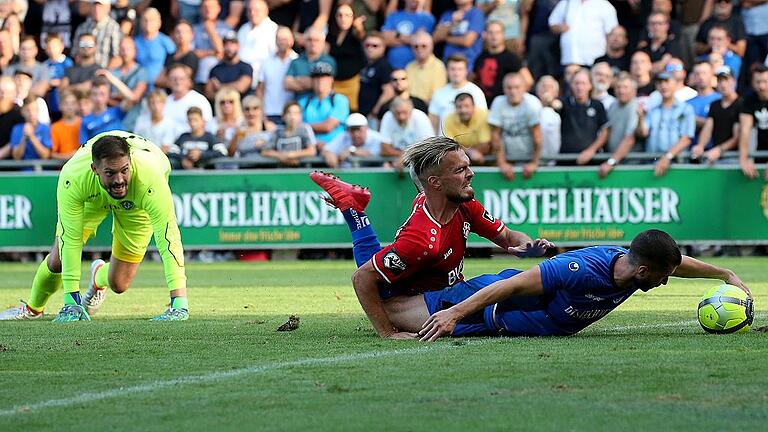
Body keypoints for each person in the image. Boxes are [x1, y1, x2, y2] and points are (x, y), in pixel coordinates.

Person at [309, 136, 553, 338]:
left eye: (468, 166)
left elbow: (509, 236)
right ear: (435, 183)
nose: (471, 174)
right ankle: (353, 210)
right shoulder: (422, 239)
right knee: (492, 314)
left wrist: (528, 246)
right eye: (461, 170)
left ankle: (353, 209)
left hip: (444, 291)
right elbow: (362, 278)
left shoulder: (465, 205)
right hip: (408, 301)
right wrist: (388, 333)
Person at [410, 229, 749, 340]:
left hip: (498, 325)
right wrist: (454, 312)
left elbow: (680, 265)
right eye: (662, 277)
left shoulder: (637, 268)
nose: (665, 283)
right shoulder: (578, 269)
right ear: (644, 271)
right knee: (393, 310)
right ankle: (357, 216)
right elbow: (512, 286)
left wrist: (723, 274)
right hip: (483, 301)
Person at [0, 131, 189, 321]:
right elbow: (71, 238)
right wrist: (71, 302)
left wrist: (179, 304)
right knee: (57, 259)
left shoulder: (149, 178)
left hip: (136, 199)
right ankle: (32, 309)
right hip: (93, 196)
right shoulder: (73, 178)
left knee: (119, 283)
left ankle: (99, 277)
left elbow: (168, 237)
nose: (119, 180)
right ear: (95, 169)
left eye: (124, 170)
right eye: (110, 173)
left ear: (130, 163)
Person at [637, 71, 696, 177]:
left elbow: (686, 138)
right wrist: (640, 117)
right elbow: (643, 133)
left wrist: (668, 156)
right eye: (660, 83)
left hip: (677, 163)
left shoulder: (685, 109)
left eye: (667, 81)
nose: (663, 86)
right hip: (653, 162)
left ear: (675, 84)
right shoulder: (652, 110)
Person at [489, 72, 542, 179]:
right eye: (509, 88)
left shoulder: (532, 103)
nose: (513, 91)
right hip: (508, 158)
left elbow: (537, 137)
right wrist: (502, 163)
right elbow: (495, 136)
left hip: (529, 157)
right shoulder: (498, 102)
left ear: (524, 88)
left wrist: (535, 162)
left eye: (517, 87)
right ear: (504, 89)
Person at [472, 20, 532, 103]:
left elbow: (528, 81)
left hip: (505, 105)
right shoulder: (480, 57)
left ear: (503, 35)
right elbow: (473, 79)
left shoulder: (511, 58)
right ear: (485, 35)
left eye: (497, 32)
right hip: (484, 104)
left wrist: (514, 100)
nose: (494, 36)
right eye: (490, 33)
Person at [691, 66, 741, 164]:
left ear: (734, 81)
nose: (723, 84)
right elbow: (708, 127)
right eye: (720, 80)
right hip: (716, 156)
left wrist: (719, 150)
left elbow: (737, 136)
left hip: (735, 157)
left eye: (726, 80)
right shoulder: (715, 105)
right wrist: (700, 145)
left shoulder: (741, 104)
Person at [548, 0, 618, 69]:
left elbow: (612, 32)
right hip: (570, 58)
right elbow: (552, 23)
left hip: (595, 59)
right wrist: (560, 27)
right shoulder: (566, 2)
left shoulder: (604, 4)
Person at [428, 54, 487, 131]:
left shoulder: (476, 92)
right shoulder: (438, 93)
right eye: (452, 69)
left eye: (460, 69)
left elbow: (482, 121)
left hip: (468, 141)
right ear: (447, 71)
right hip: (444, 141)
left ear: (466, 71)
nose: (456, 73)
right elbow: (433, 123)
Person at [298, 62, 350, 147]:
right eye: (316, 77)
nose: (320, 80)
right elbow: (295, 127)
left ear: (331, 79)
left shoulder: (340, 100)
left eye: (324, 76)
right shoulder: (303, 102)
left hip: (335, 148)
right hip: (308, 148)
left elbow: (328, 127)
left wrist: (304, 127)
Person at [257, 26, 298, 124]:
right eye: (279, 39)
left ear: (292, 41)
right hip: (269, 113)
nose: (282, 42)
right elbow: (260, 90)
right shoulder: (266, 61)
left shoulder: (297, 60)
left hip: (291, 114)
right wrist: (263, 116)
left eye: (285, 39)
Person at [321, 112, 389, 168]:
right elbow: (326, 150)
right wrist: (329, 155)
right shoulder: (344, 136)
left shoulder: (376, 138)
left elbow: (374, 156)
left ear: (366, 128)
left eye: (359, 129)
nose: (356, 134)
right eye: (353, 130)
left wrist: (352, 150)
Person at [381, 0, 435, 69]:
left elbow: (419, 41)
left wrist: (397, 34)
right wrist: (411, 38)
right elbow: (385, 40)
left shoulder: (427, 18)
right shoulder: (393, 16)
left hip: (416, 67)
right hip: (392, 66)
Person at [379, 97, 434, 163]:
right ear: (392, 112)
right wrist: (402, 156)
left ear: (411, 111)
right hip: (396, 161)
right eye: (398, 113)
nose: (401, 117)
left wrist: (405, 157)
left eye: (404, 113)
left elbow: (429, 147)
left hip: (419, 161)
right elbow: (384, 149)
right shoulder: (388, 117)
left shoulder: (421, 117)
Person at [261, 101, 317, 166]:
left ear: (300, 116)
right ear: (283, 116)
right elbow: (265, 151)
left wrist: (291, 155)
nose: (292, 117)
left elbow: (312, 151)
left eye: (296, 113)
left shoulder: (305, 129)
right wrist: (280, 156)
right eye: (289, 113)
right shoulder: (277, 131)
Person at [433, 0, 485, 70]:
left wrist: (445, 37)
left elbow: (467, 41)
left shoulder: (477, 14)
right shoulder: (448, 14)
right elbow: (435, 38)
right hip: (448, 65)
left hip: (469, 66)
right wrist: (452, 22)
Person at [444, 92, 492, 165]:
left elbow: (485, 145)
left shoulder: (484, 115)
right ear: (455, 108)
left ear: (473, 106)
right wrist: (470, 152)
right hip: (461, 159)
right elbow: (450, 146)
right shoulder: (449, 119)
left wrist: (462, 149)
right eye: (459, 107)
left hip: (488, 157)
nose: (463, 110)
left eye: (467, 106)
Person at [71, 0, 122, 69]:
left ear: (108, 7)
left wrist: (104, 73)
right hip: (84, 72)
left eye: (100, 6)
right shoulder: (82, 27)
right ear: (90, 7)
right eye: (94, 6)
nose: (97, 10)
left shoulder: (114, 28)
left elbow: (117, 57)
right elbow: (75, 54)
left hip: (104, 73)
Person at [738, 64, 768, 180]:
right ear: (752, 82)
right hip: (759, 149)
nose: (761, 86)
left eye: (765, 82)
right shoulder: (748, 100)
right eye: (758, 82)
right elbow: (745, 130)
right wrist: (744, 159)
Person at [205, 31, 253, 100]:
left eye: (232, 43)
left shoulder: (246, 67)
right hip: (220, 107)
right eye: (226, 44)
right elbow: (209, 93)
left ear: (238, 45)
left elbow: (241, 87)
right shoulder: (216, 69)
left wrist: (220, 87)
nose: (229, 47)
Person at [405, 31, 447, 103]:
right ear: (412, 49)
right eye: (416, 46)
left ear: (431, 47)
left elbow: (437, 97)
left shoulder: (438, 66)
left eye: (424, 46)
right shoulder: (409, 66)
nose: (419, 49)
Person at [133, 89, 178, 156]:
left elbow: (165, 148)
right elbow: (135, 140)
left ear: (164, 103)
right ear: (148, 105)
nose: (156, 106)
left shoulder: (169, 123)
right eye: (152, 103)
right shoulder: (141, 120)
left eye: (159, 102)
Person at [10, 97, 52, 167]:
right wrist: (24, 137)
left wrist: (32, 136)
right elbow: (16, 157)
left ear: (38, 111)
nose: (31, 113)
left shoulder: (45, 128)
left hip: (42, 172)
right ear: (22, 112)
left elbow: (45, 155)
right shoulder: (17, 129)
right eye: (27, 110)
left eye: (34, 110)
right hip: (23, 172)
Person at [50, 90, 81, 162]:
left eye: (72, 103)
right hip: (62, 167)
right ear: (60, 106)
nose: (69, 107)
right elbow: (52, 154)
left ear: (77, 105)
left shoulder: (83, 123)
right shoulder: (55, 127)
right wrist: (69, 156)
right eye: (66, 104)